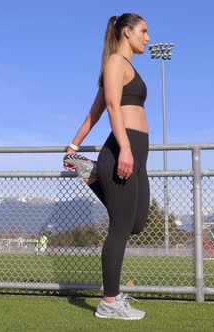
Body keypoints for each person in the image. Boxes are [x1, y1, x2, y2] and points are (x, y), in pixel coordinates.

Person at [63, 13, 150, 320]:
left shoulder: (125, 68)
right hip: (122, 150)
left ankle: (94, 174)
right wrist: (124, 147)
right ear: (127, 32)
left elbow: (93, 112)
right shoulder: (115, 62)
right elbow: (111, 107)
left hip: (138, 155)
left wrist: (73, 147)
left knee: (138, 223)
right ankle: (109, 302)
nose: (148, 38)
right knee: (120, 227)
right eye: (143, 31)